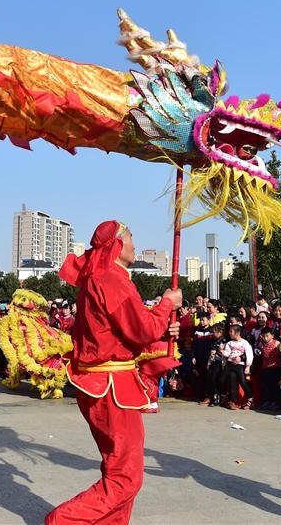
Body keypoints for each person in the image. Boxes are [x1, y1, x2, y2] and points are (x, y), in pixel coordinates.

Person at [46, 220, 181, 524]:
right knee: (126, 477)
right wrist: (165, 305)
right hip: (110, 387)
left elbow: (121, 333)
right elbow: (141, 329)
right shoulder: (111, 279)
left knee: (117, 468)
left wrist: (161, 326)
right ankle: (62, 520)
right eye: (131, 237)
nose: (134, 243)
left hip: (103, 383)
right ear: (117, 245)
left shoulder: (105, 278)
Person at [221, 323, 254, 410]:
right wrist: (222, 352)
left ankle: (250, 399)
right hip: (230, 364)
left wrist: (248, 366)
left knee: (243, 382)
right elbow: (227, 353)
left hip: (240, 365)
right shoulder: (229, 343)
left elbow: (249, 354)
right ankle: (230, 399)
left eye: (231, 331)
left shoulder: (244, 343)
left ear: (237, 333)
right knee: (224, 380)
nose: (229, 333)